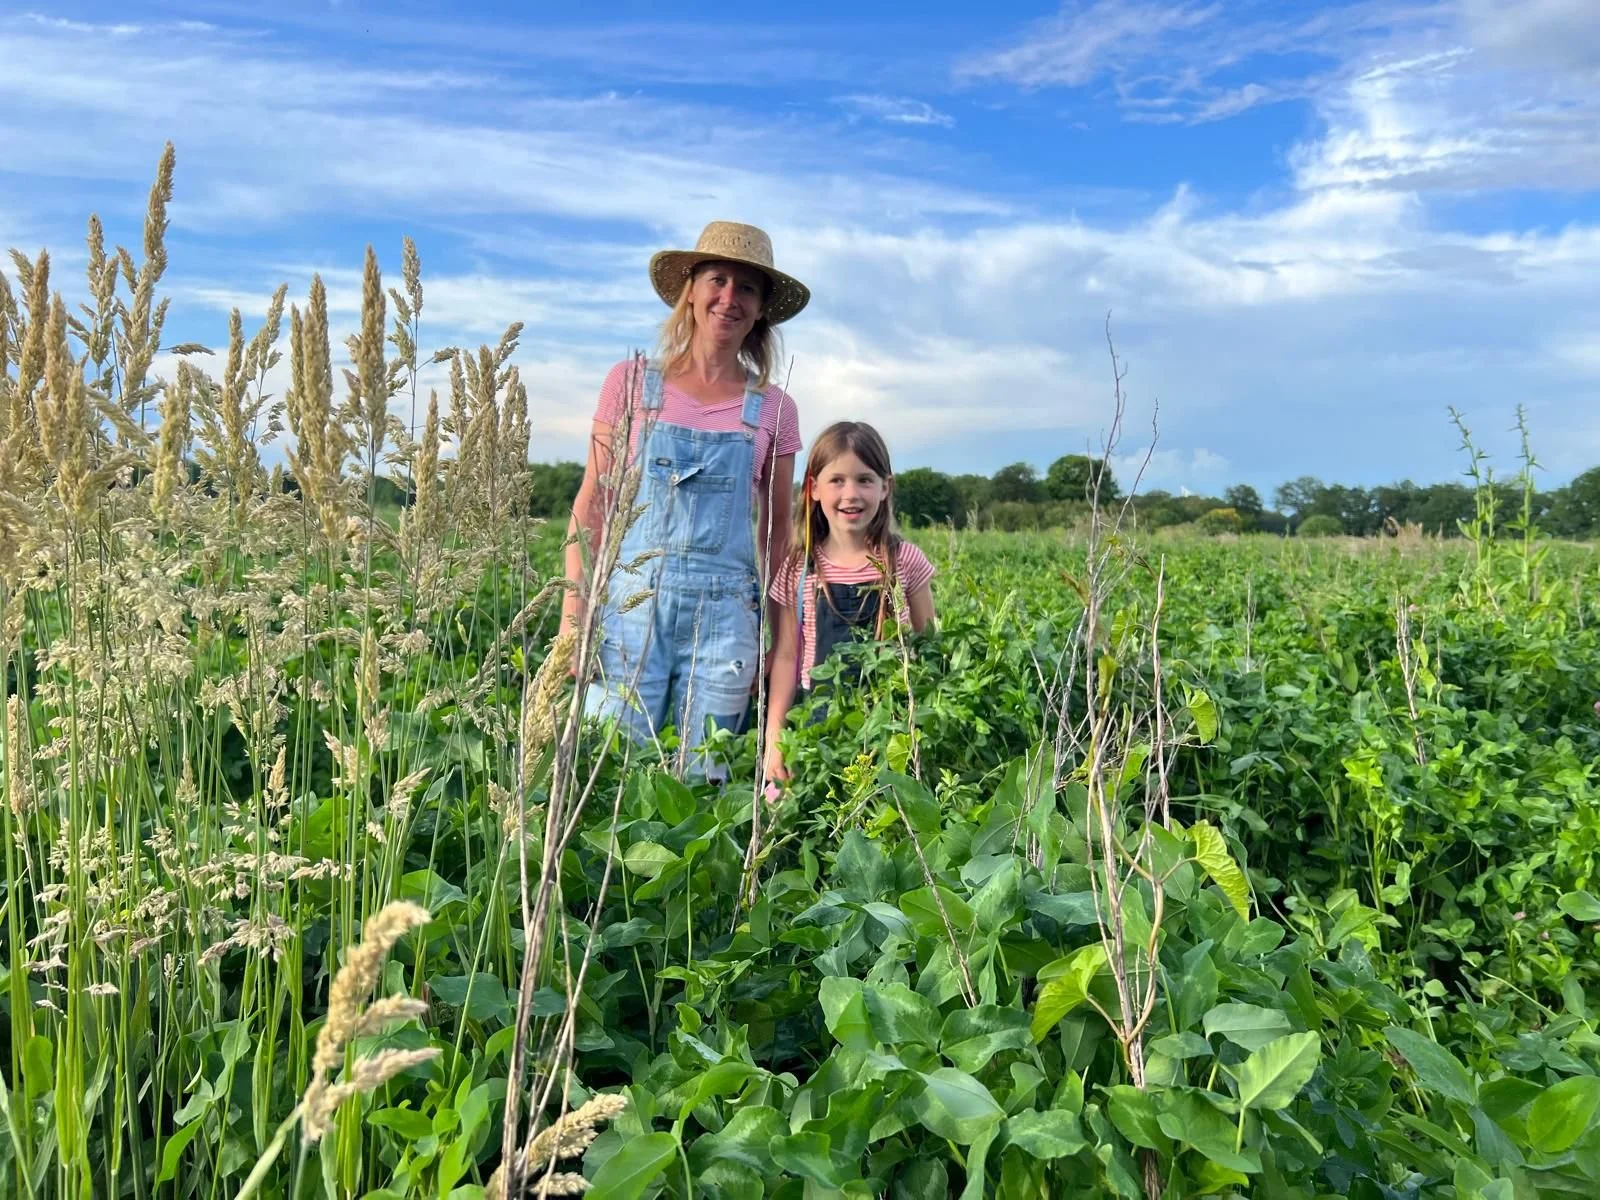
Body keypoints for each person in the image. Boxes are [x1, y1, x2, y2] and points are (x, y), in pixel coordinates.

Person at [562, 221, 806, 776]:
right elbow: (592, 504)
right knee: (606, 771)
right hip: (628, 608)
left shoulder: (774, 409)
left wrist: (783, 643)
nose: (729, 298)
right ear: (690, 290)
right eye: (717, 279)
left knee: (706, 775)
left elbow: (779, 536)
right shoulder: (629, 382)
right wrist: (574, 613)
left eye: (747, 288)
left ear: (762, 308)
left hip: (727, 618)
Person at [762, 421, 936, 785]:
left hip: (890, 723)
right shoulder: (799, 567)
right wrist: (775, 739)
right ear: (813, 489)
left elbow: (929, 648)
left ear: (885, 487)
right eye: (837, 480)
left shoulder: (905, 560)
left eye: (865, 480)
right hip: (814, 727)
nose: (851, 494)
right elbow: (785, 657)